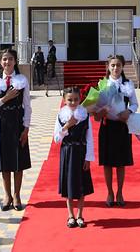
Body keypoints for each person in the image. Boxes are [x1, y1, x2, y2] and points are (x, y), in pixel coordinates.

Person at [0, 49, 31, 211]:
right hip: (3, 122)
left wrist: (26, 128)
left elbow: (27, 106)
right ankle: (7, 195)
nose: (7, 62)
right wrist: (5, 99)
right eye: (4, 59)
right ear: (0, 62)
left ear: (15, 61)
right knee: (5, 160)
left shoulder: (22, 80)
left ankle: (17, 194)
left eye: (10, 59)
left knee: (18, 159)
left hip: (18, 121)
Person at [96, 54, 138, 207]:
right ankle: (110, 192)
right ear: (108, 66)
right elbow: (96, 107)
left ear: (122, 66)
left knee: (121, 162)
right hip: (107, 126)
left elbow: (134, 104)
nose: (115, 68)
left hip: (122, 126)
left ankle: (120, 191)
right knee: (107, 162)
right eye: (112, 65)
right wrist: (99, 111)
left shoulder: (128, 84)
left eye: (118, 65)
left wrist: (129, 112)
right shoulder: (103, 84)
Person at [54, 87, 94, 229]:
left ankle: (80, 214)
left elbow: (89, 138)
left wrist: (88, 158)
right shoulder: (61, 115)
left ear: (80, 99)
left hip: (81, 152)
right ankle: (70, 215)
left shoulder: (84, 115)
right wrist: (66, 126)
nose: (73, 102)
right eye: (69, 99)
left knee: (81, 185)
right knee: (69, 184)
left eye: (76, 99)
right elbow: (57, 139)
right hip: (67, 152)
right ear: (64, 100)